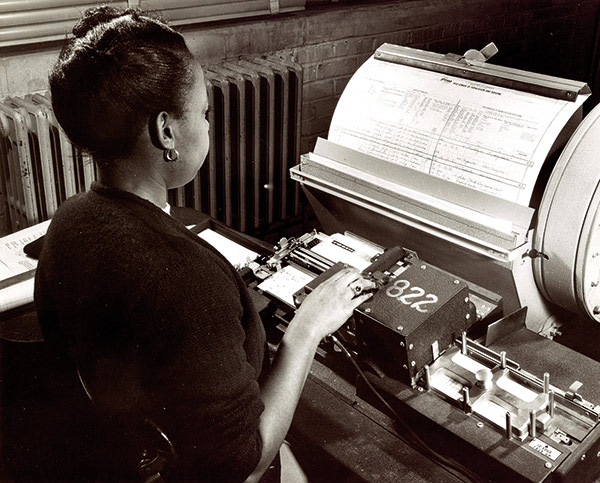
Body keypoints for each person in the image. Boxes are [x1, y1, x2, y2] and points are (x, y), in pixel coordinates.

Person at [34, 6, 375, 482]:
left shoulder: (69, 222)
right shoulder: (182, 280)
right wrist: (306, 330)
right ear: (166, 130)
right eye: (204, 112)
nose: (209, 125)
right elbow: (244, 463)